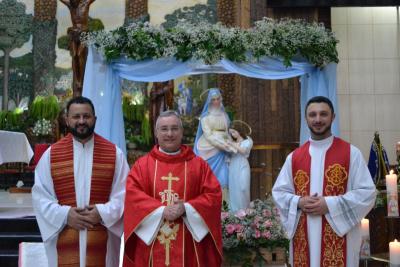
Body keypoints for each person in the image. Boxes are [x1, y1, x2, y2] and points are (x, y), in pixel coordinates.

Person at [272, 96, 376, 267]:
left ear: (333, 117)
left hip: (341, 238)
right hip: (303, 238)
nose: (318, 119)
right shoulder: (295, 157)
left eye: (323, 114)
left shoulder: (351, 153)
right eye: (312, 115)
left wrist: (329, 204)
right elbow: (279, 193)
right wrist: (299, 201)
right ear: (306, 119)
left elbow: (367, 193)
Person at [32, 96, 129, 267]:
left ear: (95, 119)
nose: (82, 121)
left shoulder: (114, 154)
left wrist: (101, 212)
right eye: (76, 117)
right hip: (65, 235)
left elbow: (125, 194)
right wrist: (65, 215)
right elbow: (41, 197)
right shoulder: (51, 155)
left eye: (87, 116)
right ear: (67, 120)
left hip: (102, 237)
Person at [123, 110, 222, 267]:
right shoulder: (142, 166)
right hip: (151, 247)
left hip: (190, 247)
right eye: (164, 129)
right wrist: (161, 211)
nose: (170, 134)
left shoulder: (199, 165)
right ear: (156, 133)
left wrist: (186, 208)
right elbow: (132, 197)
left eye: (175, 128)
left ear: (182, 132)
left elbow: (213, 196)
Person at [194, 88, 236, 190]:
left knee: (224, 178)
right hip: (210, 147)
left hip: (225, 150)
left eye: (218, 99)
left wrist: (230, 143)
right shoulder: (205, 117)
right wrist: (222, 145)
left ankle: (224, 203)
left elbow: (227, 131)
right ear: (209, 101)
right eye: (213, 99)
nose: (216, 101)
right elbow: (208, 135)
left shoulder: (224, 115)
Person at [227, 123, 253, 212]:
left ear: (239, 131)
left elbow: (243, 151)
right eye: (231, 133)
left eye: (233, 132)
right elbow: (228, 155)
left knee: (243, 187)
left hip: (242, 164)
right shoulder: (232, 142)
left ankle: (245, 209)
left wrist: (232, 144)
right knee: (234, 187)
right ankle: (235, 211)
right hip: (233, 165)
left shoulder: (248, 141)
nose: (232, 135)